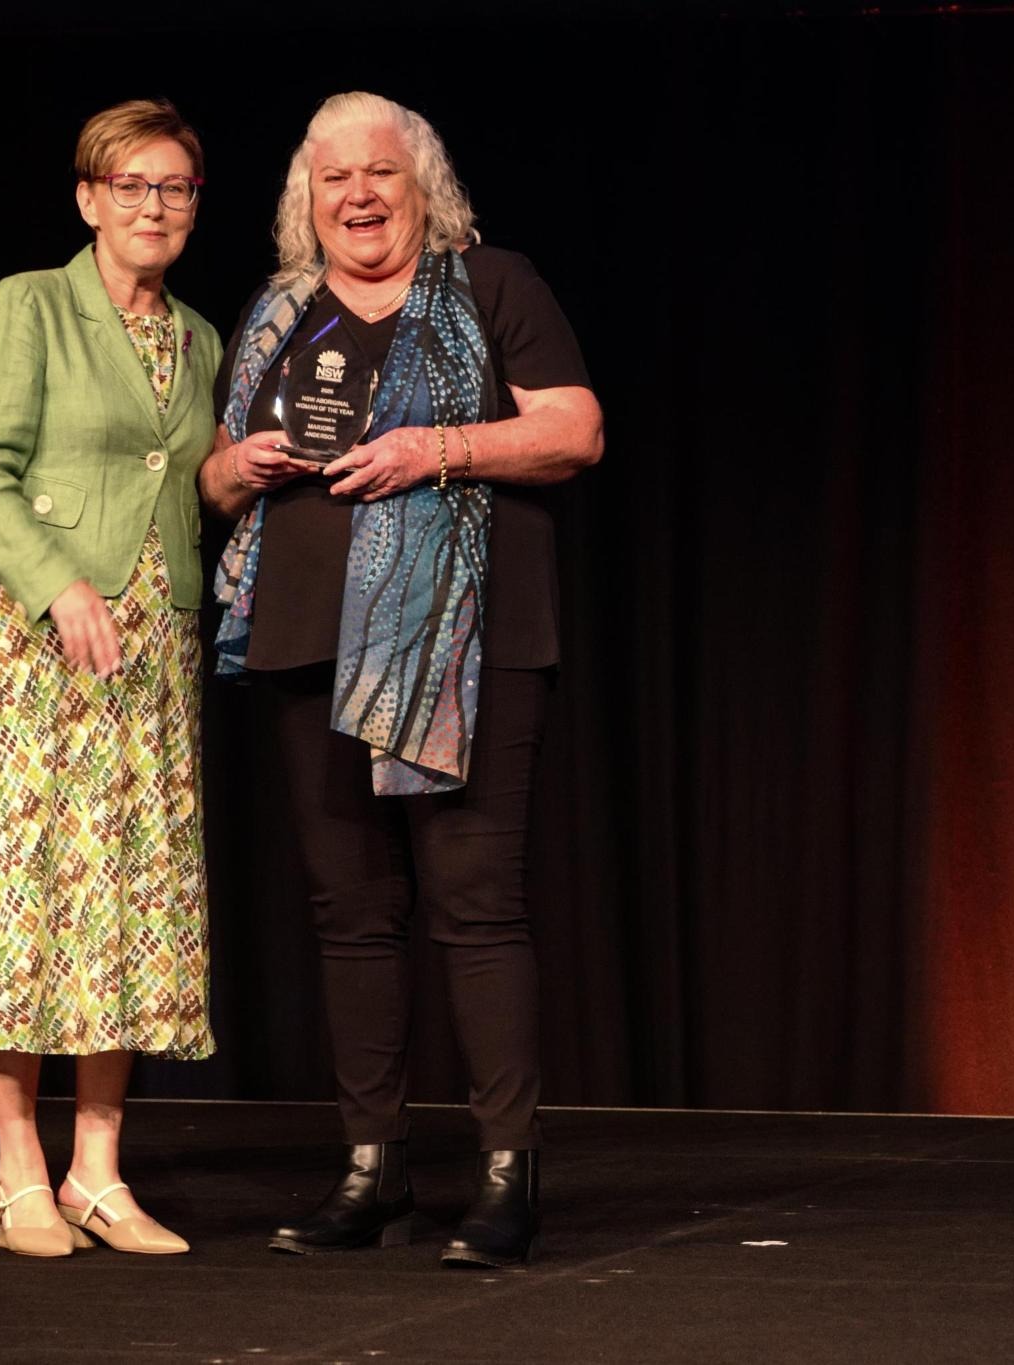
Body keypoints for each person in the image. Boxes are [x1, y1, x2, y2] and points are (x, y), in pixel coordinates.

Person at [200, 91, 603, 1267]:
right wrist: (236, 464)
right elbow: (215, 491)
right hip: (304, 646)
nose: (358, 195)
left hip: (464, 647)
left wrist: (439, 447)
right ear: (304, 201)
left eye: (380, 172)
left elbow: (575, 433)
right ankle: (371, 1170)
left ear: (423, 186)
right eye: (333, 179)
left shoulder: (492, 287)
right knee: (352, 919)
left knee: (475, 908)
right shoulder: (277, 314)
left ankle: (501, 1173)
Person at [0, 99, 222, 1259]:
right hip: (35, 642)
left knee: (131, 901)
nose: (154, 206)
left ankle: (99, 1170)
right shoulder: (29, 306)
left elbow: (176, 482)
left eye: (177, 187)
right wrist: (58, 585)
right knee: (26, 890)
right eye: (131, 184)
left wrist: (235, 474)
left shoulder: (196, 335)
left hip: (149, 650)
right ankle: (19, 1170)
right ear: (88, 198)